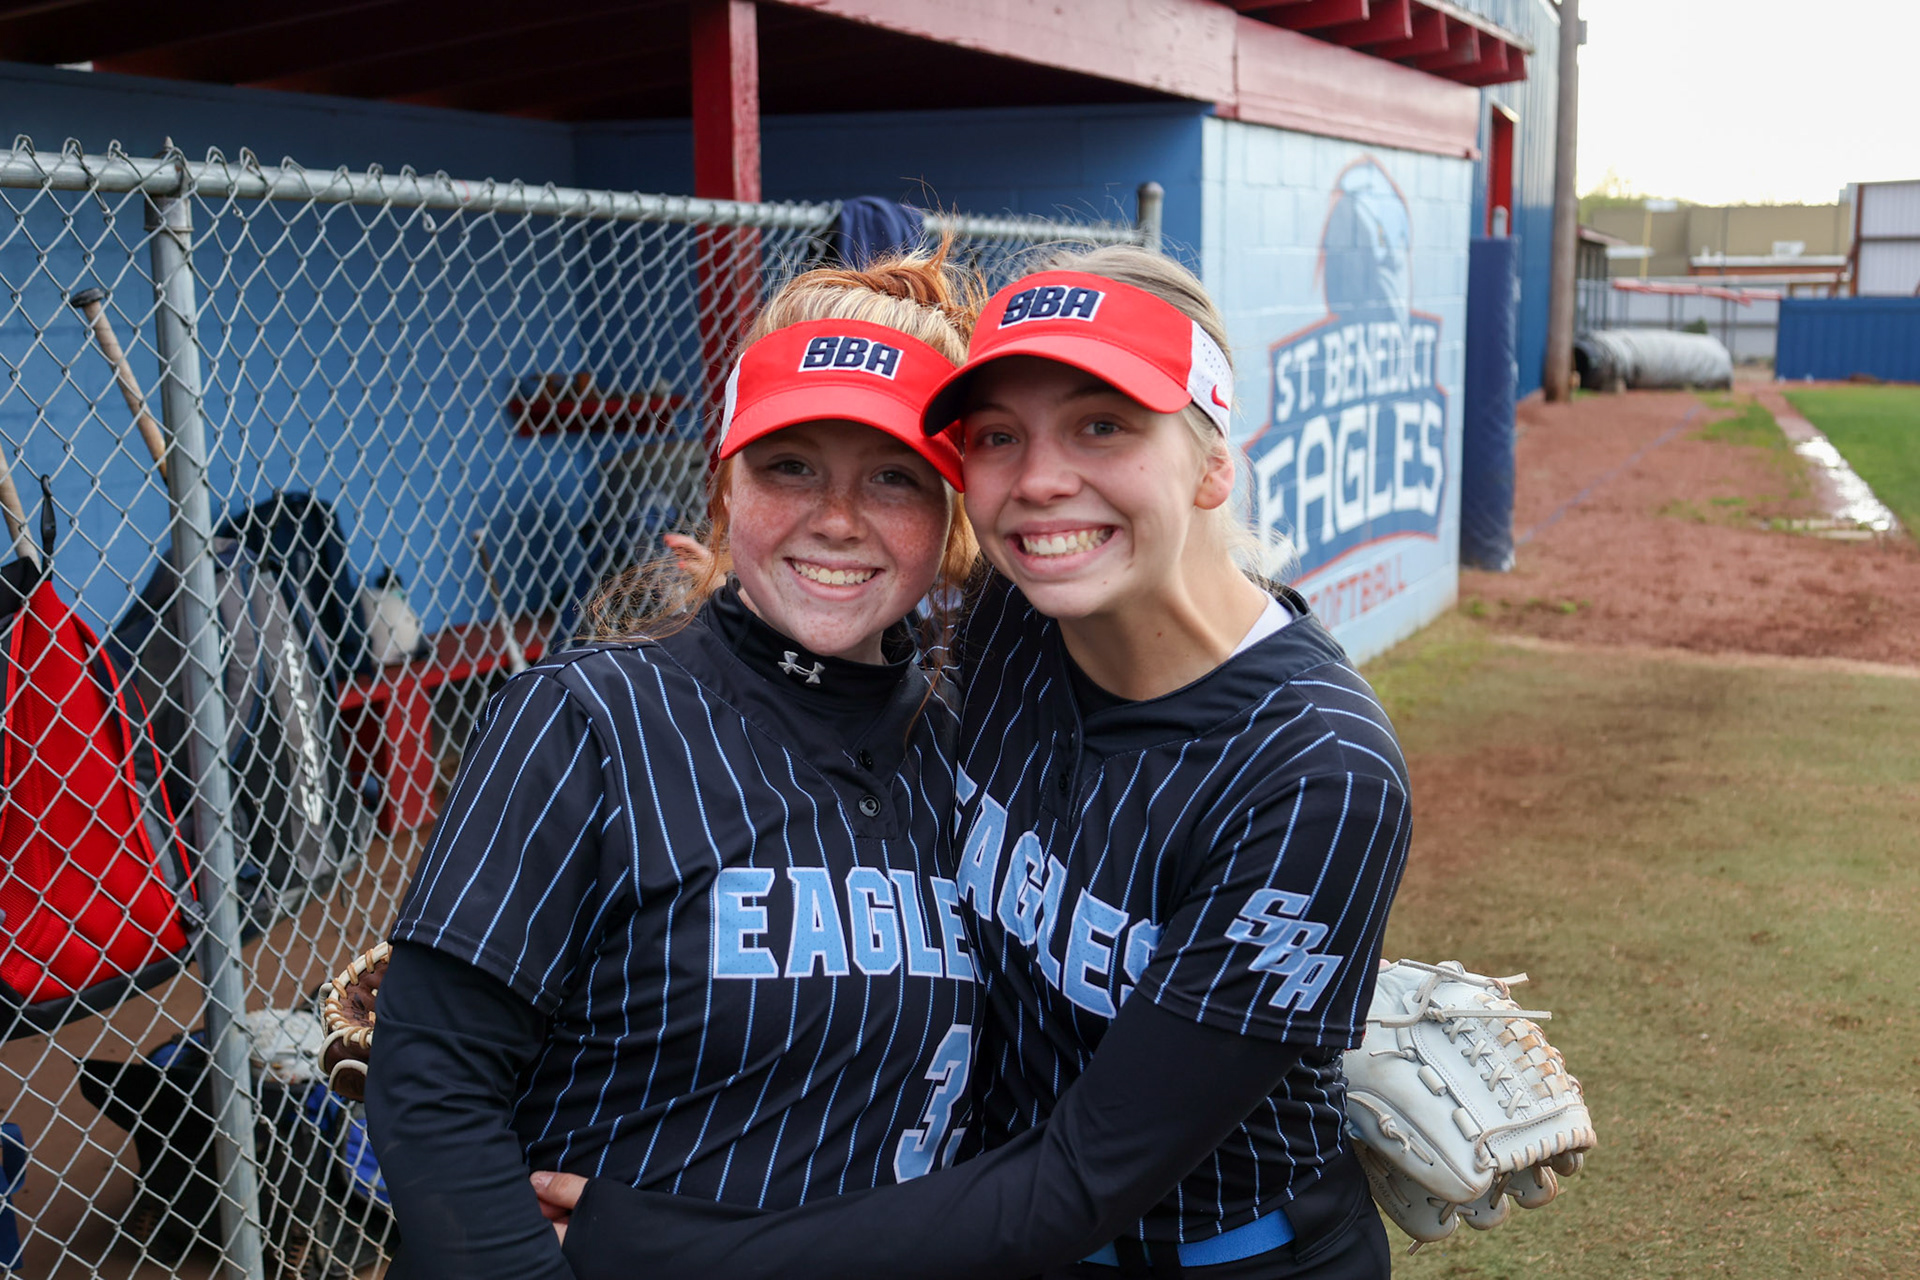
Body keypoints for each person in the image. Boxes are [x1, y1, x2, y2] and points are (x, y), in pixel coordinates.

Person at [539, 245, 1410, 1279]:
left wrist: (659, 1247)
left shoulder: (1318, 771)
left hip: (1221, 1253)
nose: (1041, 480)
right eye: (1000, 435)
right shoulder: (1016, 620)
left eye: (1103, 423)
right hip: (988, 1224)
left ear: (1214, 458)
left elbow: (1082, 1174)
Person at [364, 248, 983, 1279]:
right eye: (791, 464)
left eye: (892, 476)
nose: (837, 516)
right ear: (726, 484)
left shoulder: (970, 745)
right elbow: (432, 1087)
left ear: (948, 516)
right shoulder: (584, 719)